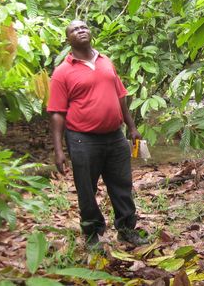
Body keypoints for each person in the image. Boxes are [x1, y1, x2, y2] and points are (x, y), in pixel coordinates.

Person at [47, 20, 149, 249]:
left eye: (84, 27)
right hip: (83, 139)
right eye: (74, 30)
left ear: (90, 33)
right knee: (86, 188)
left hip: (115, 136)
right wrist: (59, 150)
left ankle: (126, 230)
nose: (81, 31)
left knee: (122, 184)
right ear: (68, 40)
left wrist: (131, 127)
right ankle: (92, 233)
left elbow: (120, 96)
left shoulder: (106, 61)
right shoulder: (62, 72)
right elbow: (56, 113)